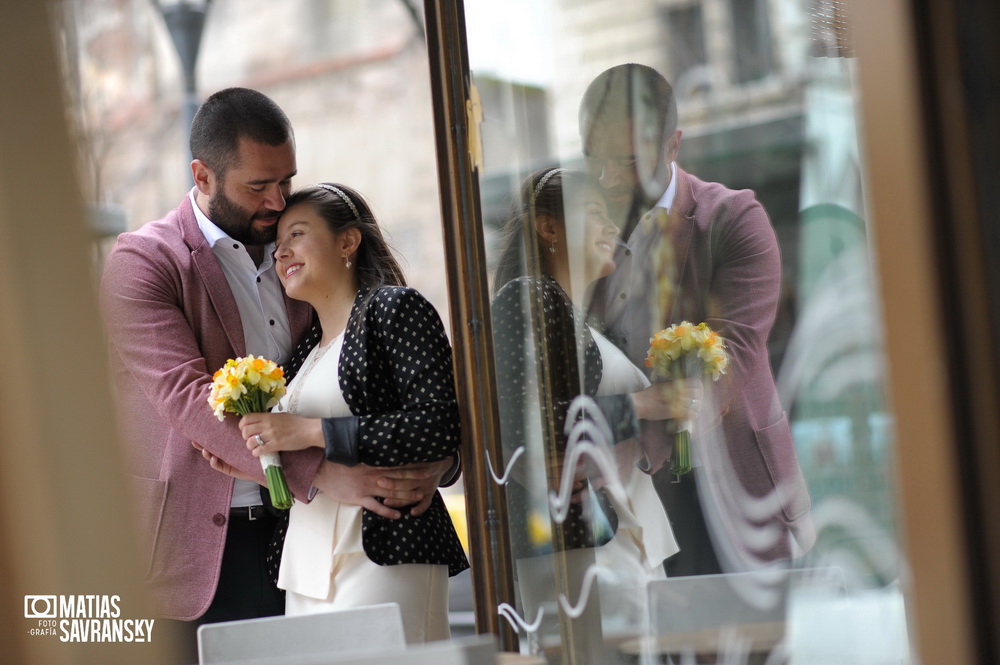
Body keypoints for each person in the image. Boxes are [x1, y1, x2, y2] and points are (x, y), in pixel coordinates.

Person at [99, 88, 453, 659]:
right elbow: (190, 400)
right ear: (203, 175)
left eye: (286, 180)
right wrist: (322, 475)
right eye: (257, 186)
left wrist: (436, 458)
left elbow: (379, 386)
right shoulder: (142, 262)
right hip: (202, 546)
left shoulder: (298, 264)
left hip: (306, 539)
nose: (277, 200)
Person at [205, 182, 467, 643]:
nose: (281, 252)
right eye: (278, 243)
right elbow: (289, 466)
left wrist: (304, 430)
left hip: (382, 547)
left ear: (348, 241)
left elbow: (438, 427)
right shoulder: (303, 351)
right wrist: (255, 465)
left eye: (297, 235)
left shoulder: (394, 308)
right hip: (303, 566)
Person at [578, 64, 815, 576]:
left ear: (673, 145)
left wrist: (638, 433)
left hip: (736, 485)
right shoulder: (584, 236)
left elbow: (732, 355)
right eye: (594, 161)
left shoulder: (733, 219)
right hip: (630, 499)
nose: (610, 179)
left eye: (626, 161)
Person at [490, 167, 697, 651]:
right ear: (549, 228)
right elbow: (530, 427)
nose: (611, 229)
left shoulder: (575, 316)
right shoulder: (530, 295)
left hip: (612, 539)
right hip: (587, 552)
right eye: (593, 214)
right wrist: (643, 404)